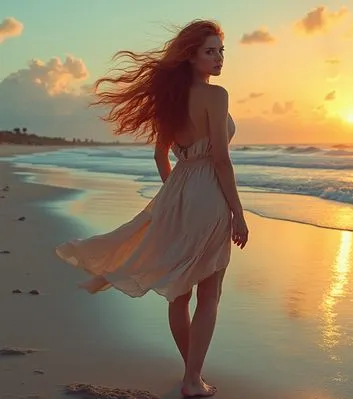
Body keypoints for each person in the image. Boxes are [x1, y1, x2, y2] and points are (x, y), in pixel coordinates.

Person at [55, 19, 249, 398]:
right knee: (210, 292)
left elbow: (161, 155)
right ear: (191, 56)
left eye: (221, 50)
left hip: (178, 191)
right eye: (210, 51)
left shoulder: (171, 100)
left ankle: (191, 374)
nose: (218, 57)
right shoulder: (216, 95)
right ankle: (193, 380)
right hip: (209, 194)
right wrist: (238, 214)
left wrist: (176, 194)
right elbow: (222, 162)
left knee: (180, 292)